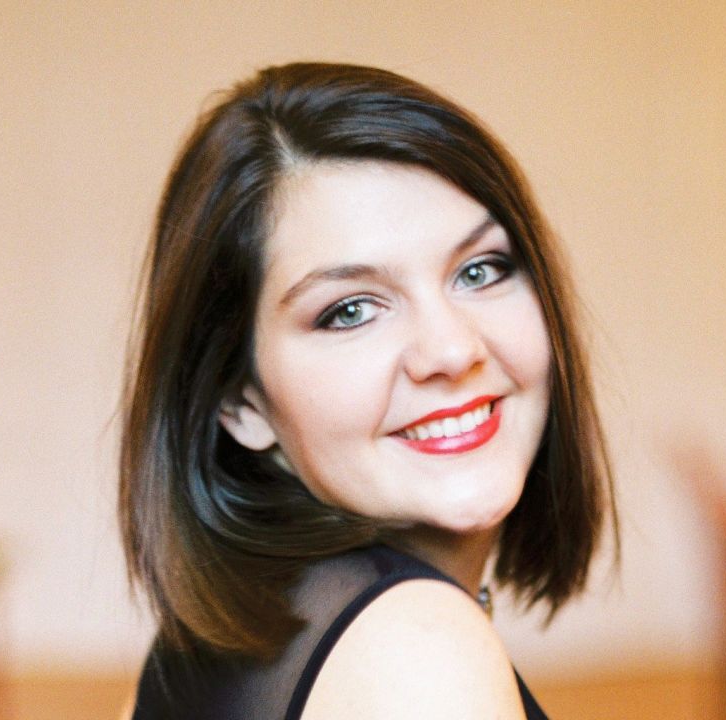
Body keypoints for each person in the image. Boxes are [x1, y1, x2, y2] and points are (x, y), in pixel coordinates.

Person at [119, 62, 614, 720]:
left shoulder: (198, 643)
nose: (452, 350)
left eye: (479, 270)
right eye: (350, 311)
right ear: (238, 400)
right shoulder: (416, 652)